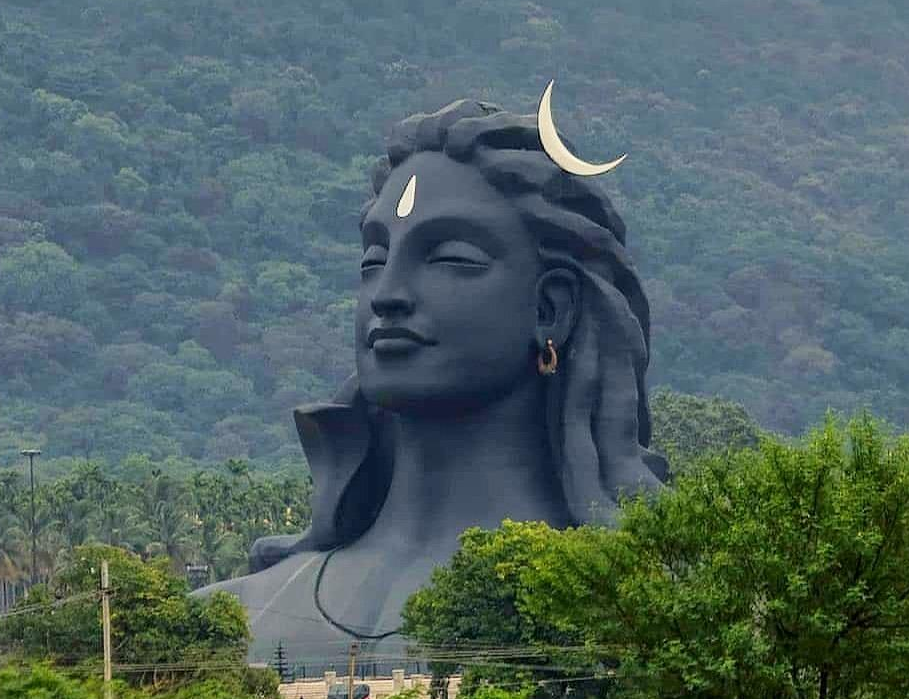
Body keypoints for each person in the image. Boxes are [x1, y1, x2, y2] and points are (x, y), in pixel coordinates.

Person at [196, 96, 667, 660]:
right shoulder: (222, 621)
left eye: (449, 257)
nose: (388, 294)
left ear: (550, 309)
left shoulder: (633, 618)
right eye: (374, 261)